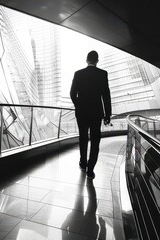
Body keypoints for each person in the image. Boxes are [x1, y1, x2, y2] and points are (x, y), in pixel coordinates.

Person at [70, 50, 111, 179]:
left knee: (83, 138)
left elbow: (72, 93)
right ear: (97, 61)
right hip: (96, 113)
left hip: (81, 113)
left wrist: (79, 105)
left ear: (87, 60)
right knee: (95, 140)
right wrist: (107, 114)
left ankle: (83, 163)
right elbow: (106, 96)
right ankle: (90, 169)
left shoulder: (78, 74)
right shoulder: (103, 74)